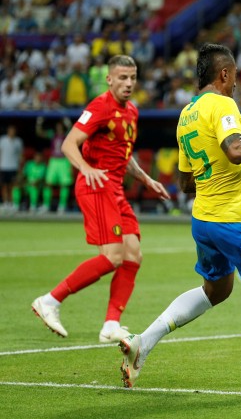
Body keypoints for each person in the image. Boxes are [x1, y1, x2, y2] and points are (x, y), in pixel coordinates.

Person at [117, 43, 241, 392]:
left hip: (204, 220)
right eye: (235, 76)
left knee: (217, 289)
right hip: (234, 218)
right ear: (224, 74)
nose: (236, 83)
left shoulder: (187, 113)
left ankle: (143, 342)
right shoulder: (222, 104)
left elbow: (185, 182)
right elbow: (236, 150)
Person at [31, 55, 170, 343]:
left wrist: (146, 179)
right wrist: (86, 168)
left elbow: (123, 154)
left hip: (115, 189)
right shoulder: (100, 106)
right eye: (122, 77)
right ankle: (50, 300)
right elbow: (69, 143)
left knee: (133, 254)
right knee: (112, 257)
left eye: (133, 77)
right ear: (109, 79)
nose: (128, 83)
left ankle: (111, 325)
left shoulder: (132, 111)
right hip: (95, 186)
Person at [36, 116, 74, 213]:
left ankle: (62, 206)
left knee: (64, 184)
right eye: (57, 126)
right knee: (48, 183)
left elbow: (74, 131)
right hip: (54, 160)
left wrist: (68, 123)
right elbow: (39, 133)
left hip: (64, 160)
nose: (59, 128)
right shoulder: (52, 134)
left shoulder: (66, 135)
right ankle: (46, 205)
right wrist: (39, 123)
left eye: (60, 126)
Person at [0, 124, 23, 211]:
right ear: (8, 131)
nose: (12, 132)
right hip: (3, 167)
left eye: (13, 131)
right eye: (10, 131)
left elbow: (20, 155)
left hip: (14, 167)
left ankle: (12, 203)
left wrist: (20, 167)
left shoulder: (18, 141)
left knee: (13, 186)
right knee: (4, 186)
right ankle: (5, 203)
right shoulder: (2, 140)